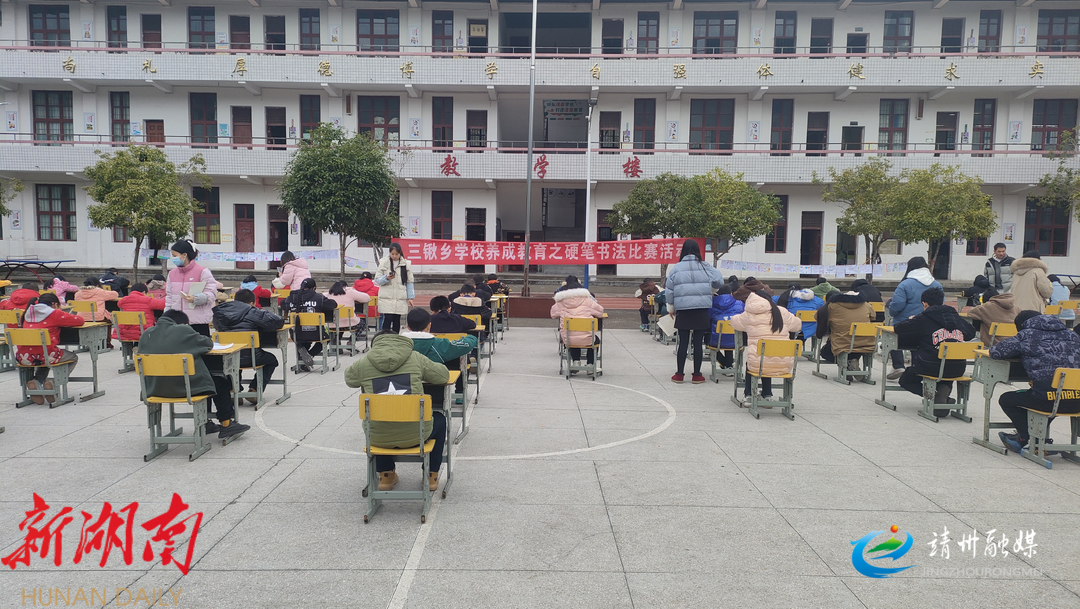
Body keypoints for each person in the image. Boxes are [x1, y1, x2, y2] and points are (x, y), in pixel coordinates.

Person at [344, 330, 451, 492]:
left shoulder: (364, 363)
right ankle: (431, 476)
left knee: (380, 422)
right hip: (417, 435)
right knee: (440, 419)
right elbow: (443, 376)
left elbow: (349, 379)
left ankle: (386, 475)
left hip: (378, 437)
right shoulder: (416, 358)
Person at [138, 309, 250, 438]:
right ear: (182, 323)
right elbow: (208, 344)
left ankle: (205, 422)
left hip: (154, 389)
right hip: (185, 388)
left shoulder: (146, 334)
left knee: (207, 380)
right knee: (219, 383)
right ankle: (226, 424)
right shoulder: (183, 330)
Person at [991, 310, 1080, 453]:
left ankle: (1028, 438)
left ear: (1022, 325)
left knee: (1007, 399)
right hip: (1076, 400)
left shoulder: (1027, 335)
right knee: (1051, 398)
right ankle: (1034, 438)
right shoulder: (1072, 335)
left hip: (1048, 399)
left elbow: (996, 352)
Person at [893, 288, 976, 410]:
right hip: (957, 367)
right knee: (946, 372)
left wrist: (911, 320)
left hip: (930, 366)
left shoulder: (923, 319)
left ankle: (934, 396)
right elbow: (971, 333)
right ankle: (943, 393)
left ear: (924, 304)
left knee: (906, 380)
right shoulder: (955, 317)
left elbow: (898, 329)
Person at [665, 239, 726, 383]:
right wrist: (711, 289)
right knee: (698, 342)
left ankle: (679, 374)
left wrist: (671, 307)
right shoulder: (705, 266)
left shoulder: (676, 268)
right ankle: (697, 375)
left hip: (683, 309)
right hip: (701, 308)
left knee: (683, 342)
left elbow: (669, 290)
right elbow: (719, 281)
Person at [212, 289, 283, 403]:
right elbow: (278, 321)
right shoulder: (253, 311)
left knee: (234, 361)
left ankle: (232, 390)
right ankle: (255, 389)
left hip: (228, 357)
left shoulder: (221, 312)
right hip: (252, 357)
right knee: (271, 360)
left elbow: (217, 327)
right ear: (251, 303)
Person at [730, 291, 802, 400]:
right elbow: (797, 325)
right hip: (785, 364)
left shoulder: (749, 314)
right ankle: (767, 394)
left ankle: (749, 394)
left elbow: (734, 322)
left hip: (758, 364)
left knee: (757, 359)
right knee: (768, 357)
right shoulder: (781, 311)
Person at [402, 307, 478, 408]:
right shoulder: (438, 344)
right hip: (435, 399)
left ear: (408, 326)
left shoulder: (398, 346)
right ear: (429, 326)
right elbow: (465, 345)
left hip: (403, 399)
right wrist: (471, 337)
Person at [16, 293, 83, 405]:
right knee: (72, 357)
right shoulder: (54, 313)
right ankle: (53, 383)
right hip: (46, 355)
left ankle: (37, 382)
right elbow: (79, 320)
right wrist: (61, 312)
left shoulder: (27, 313)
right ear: (54, 304)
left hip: (24, 357)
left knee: (45, 358)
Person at [885, 257, 943, 380]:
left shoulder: (905, 284)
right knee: (918, 344)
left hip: (905, 326)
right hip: (929, 328)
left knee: (891, 338)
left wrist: (891, 309)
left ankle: (898, 365)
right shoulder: (937, 285)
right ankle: (917, 367)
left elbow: (897, 305)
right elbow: (940, 305)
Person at [165, 239, 219, 337]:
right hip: (177, 323)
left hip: (198, 322)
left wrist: (196, 298)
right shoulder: (172, 274)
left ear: (184, 255)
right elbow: (169, 297)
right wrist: (166, 315)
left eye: (175, 255)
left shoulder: (203, 272)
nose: (173, 258)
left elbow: (212, 294)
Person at [283, 278, 337, 371]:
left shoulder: (292, 297)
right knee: (327, 337)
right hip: (316, 333)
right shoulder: (319, 297)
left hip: (296, 334)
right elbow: (333, 305)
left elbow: (283, 304)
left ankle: (302, 354)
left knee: (302, 338)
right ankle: (309, 356)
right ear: (314, 288)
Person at [550, 278, 605, 370]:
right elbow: (600, 312)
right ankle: (590, 364)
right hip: (588, 339)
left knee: (572, 335)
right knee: (594, 339)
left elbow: (553, 314)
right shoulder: (588, 300)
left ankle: (576, 361)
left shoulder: (562, 302)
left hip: (568, 340)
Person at [815, 291, 875, 367]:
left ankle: (847, 364)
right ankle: (852, 361)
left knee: (825, 353)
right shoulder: (866, 305)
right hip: (866, 344)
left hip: (842, 343)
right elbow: (873, 317)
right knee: (855, 345)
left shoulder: (832, 306)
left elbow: (817, 316)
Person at [375, 243, 414, 334]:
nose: (394, 256)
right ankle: (385, 337)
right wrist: (386, 278)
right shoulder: (384, 263)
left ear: (400, 253)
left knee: (397, 318)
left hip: (399, 296)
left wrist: (410, 297)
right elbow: (378, 280)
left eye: (396, 254)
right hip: (387, 296)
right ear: (389, 253)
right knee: (388, 318)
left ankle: (395, 337)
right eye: (392, 254)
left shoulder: (406, 264)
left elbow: (409, 282)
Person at [708, 285, 744, 369]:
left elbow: (708, 317)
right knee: (729, 340)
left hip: (717, 339)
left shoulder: (712, 303)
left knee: (708, 340)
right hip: (736, 339)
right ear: (731, 293)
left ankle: (725, 363)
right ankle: (728, 365)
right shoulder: (740, 303)